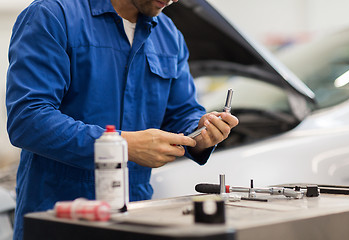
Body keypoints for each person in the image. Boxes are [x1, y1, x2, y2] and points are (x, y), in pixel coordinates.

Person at [6, 0, 239, 239]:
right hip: (59, 218)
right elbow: (28, 119)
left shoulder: (168, 34)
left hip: (135, 218)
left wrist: (200, 132)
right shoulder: (54, 15)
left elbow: (181, 112)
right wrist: (122, 146)